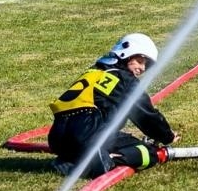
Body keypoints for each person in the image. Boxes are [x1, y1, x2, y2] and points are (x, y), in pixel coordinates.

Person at [48, 32, 178, 178]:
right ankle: (104, 161)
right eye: (140, 61)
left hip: (57, 138)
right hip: (89, 135)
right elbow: (145, 115)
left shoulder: (96, 71)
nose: (142, 68)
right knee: (147, 152)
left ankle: (70, 160)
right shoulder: (124, 79)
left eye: (146, 65)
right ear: (127, 54)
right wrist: (167, 136)